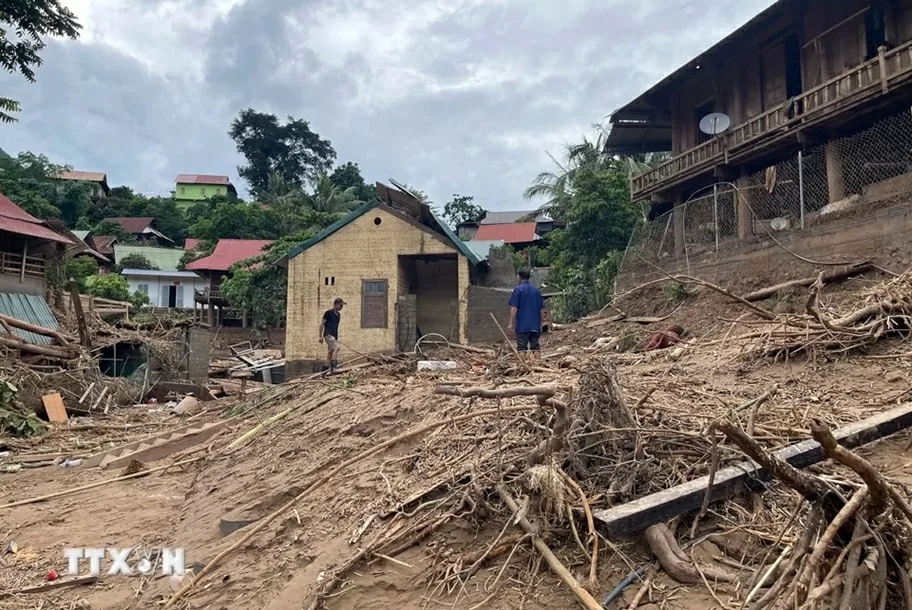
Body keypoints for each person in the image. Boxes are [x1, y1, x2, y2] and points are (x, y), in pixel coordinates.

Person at [507, 268, 545, 359]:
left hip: (522, 326)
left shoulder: (518, 290)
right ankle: (539, 366)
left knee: (521, 348)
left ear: (519, 277)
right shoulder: (536, 291)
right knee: (535, 347)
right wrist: (542, 322)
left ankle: (523, 367)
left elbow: (514, 308)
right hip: (535, 325)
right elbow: (542, 309)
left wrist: (511, 323)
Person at [319, 298, 344, 372]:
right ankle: (334, 367)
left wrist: (336, 337)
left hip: (334, 335)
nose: (342, 307)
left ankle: (324, 371)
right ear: (335, 304)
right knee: (337, 348)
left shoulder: (338, 315)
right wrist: (320, 336)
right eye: (340, 305)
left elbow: (336, 327)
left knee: (330, 352)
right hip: (328, 334)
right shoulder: (328, 313)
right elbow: (322, 324)